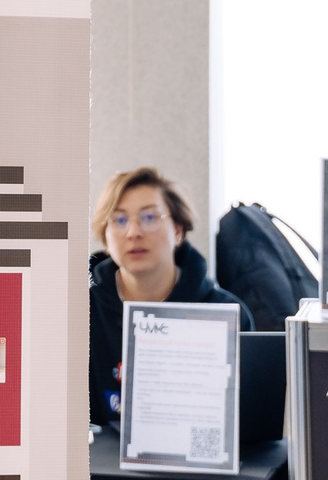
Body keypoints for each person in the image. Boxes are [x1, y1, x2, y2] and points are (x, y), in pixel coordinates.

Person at [87, 167, 252, 428]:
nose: (133, 232)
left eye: (149, 217)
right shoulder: (80, 310)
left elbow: (246, 421)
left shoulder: (226, 313)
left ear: (177, 230)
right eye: (119, 220)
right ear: (106, 238)